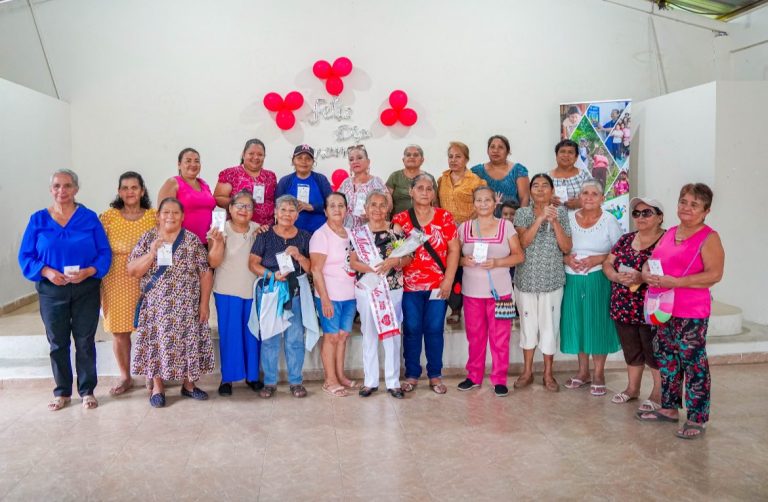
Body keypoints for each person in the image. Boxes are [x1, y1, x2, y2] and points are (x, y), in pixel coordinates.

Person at [19, 169, 112, 411]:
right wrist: (47, 271)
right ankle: (62, 392)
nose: (62, 191)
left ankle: (87, 390)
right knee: (58, 342)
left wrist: (89, 271)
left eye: (68, 186)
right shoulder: (38, 220)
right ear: (51, 190)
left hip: (86, 288)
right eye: (57, 186)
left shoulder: (89, 218)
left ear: (76, 189)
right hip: (52, 291)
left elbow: (104, 253)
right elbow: (26, 256)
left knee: (84, 340)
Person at [638, 183, 725, 440]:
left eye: (694, 204)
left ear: (706, 211)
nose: (687, 208)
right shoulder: (670, 233)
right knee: (667, 359)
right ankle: (669, 408)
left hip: (691, 311)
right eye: (683, 202)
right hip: (663, 308)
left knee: (693, 363)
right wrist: (645, 273)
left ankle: (697, 417)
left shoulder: (709, 237)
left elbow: (715, 274)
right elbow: (653, 260)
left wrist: (677, 282)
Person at [127, 197, 215, 408]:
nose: (170, 216)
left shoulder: (192, 240)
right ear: (158, 216)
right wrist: (151, 254)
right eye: (166, 212)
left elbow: (205, 273)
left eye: (175, 212)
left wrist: (204, 304)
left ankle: (189, 385)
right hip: (157, 308)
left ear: (183, 217)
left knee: (189, 343)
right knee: (157, 344)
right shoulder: (148, 238)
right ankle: (158, 387)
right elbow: (132, 270)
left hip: (187, 306)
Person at [392, 174, 460, 394]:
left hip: (438, 285)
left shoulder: (444, 217)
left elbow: (454, 250)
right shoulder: (400, 219)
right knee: (411, 329)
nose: (424, 192)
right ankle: (412, 374)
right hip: (409, 287)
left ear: (434, 193)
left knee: (434, 329)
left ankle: (435, 375)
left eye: (429, 188)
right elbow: (394, 252)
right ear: (411, 191)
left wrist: (448, 280)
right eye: (419, 188)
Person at [456, 186, 524, 396]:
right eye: (479, 200)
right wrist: (462, 260)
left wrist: (497, 262)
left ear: (496, 203)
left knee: (500, 337)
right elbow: (454, 259)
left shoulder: (506, 227)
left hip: (501, 293)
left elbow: (519, 256)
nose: (483, 204)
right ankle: (474, 376)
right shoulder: (464, 228)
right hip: (472, 293)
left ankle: (499, 378)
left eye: (488, 200)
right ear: (473, 203)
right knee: (475, 337)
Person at [561, 180, 623, 396]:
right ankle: (582, 371)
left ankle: (598, 373)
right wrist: (566, 259)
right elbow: (558, 245)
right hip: (572, 279)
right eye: (585, 193)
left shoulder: (609, 221)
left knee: (596, 324)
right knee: (578, 322)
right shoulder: (568, 218)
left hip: (598, 279)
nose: (589, 197)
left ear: (602, 198)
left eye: (594, 194)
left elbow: (621, 251)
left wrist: (598, 258)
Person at [603, 197, 665, 411]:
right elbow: (608, 263)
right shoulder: (625, 239)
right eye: (636, 213)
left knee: (653, 351)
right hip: (623, 305)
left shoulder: (666, 241)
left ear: (659, 217)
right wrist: (615, 277)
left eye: (646, 213)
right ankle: (632, 388)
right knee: (631, 349)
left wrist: (642, 277)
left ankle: (658, 392)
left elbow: (669, 270)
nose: (640, 217)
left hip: (652, 308)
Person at [349, 191, 411, 399]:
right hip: (367, 289)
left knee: (392, 333)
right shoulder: (358, 233)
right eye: (372, 205)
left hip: (392, 288)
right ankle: (370, 381)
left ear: (388, 208)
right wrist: (373, 269)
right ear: (365, 209)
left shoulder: (395, 231)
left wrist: (395, 262)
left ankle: (393, 382)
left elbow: (407, 257)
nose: (377, 209)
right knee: (369, 333)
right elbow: (353, 262)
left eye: (382, 205)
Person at [513, 174, 572, 391]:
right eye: (535, 186)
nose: (539, 189)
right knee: (528, 328)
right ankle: (527, 372)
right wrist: (539, 219)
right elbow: (523, 242)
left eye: (544, 186)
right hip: (526, 281)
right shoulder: (522, 213)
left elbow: (566, 247)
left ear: (552, 190)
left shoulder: (562, 214)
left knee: (550, 328)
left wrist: (554, 220)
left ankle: (548, 374)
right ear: (530, 191)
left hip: (552, 280)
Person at [249, 195, 312, 398]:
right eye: (283, 210)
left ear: (297, 214)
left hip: (295, 291)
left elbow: (310, 268)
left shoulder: (304, 236)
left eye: (292, 210)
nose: (287, 214)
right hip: (270, 290)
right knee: (270, 337)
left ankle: (296, 381)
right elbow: (253, 264)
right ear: (275, 213)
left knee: (295, 338)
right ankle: (269, 382)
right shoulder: (265, 235)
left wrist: (299, 256)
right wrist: (271, 275)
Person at [99, 171, 156, 396]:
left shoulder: (153, 216)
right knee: (120, 331)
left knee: (149, 329)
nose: (130, 192)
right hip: (115, 279)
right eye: (125, 188)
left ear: (142, 191)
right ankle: (125, 376)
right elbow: (98, 247)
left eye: (134, 187)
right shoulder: (108, 217)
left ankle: (152, 375)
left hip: (147, 279)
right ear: (119, 191)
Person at [206, 191, 263, 396]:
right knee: (230, 335)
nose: (243, 210)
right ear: (230, 208)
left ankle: (252, 377)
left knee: (252, 335)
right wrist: (219, 242)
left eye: (248, 207)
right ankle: (228, 378)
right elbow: (213, 262)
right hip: (227, 289)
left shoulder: (259, 230)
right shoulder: (219, 229)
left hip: (252, 290)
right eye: (239, 205)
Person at [310, 193, 357, 397]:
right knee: (330, 337)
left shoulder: (350, 233)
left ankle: (340, 375)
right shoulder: (321, 235)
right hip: (330, 296)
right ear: (325, 211)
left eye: (341, 205)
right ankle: (329, 380)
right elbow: (316, 270)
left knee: (343, 336)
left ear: (346, 209)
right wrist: (325, 299)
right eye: (332, 206)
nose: (337, 209)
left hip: (350, 295)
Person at [437, 141, 487, 325]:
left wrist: (464, 225)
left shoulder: (476, 181)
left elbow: (482, 205)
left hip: (469, 231)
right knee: (450, 268)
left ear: (466, 158)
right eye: (450, 156)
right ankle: (452, 307)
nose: (453, 160)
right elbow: (437, 205)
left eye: (458, 156)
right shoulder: (442, 179)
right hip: (446, 233)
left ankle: (468, 308)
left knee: (468, 268)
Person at [156, 148, 216, 244]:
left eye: (197, 161)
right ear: (179, 165)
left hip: (207, 243)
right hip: (182, 244)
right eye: (188, 161)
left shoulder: (204, 184)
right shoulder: (173, 183)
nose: (193, 164)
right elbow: (163, 217)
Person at [214, 138, 277, 226]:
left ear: (264, 156)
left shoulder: (270, 176)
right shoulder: (231, 173)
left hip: (267, 228)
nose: (255, 157)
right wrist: (241, 205)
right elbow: (218, 197)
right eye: (251, 153)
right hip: (239, 228)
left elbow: (274, 200)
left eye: (260, 154)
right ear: (243, 155)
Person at [275, 144, 332, 233]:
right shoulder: (285, 181)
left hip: (319, 233)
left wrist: (312, 207)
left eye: (308, 159)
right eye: (300, 158)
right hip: (290, 234)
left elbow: (331, 205)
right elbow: (277, 208)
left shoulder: (321, 180)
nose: (304, 161)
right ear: (293, 160)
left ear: (313, 162)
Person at [470, 134, 530, 210]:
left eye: (500, 147)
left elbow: (525, 198)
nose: (495, 151)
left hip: (511, 219)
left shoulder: (518, 170)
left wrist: (520, 219)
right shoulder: (476, 171)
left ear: (507, 151)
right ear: (487, 151)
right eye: (492, 147)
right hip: (483, 220)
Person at [338, 144, 391, 228]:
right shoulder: (345, 183)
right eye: (351, 159)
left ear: (368, 161)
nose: (355, 161)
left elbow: (389, 205)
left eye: (359, 158)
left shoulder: (376, 181)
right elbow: (337, 203)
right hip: (346, 231)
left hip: (370, 231)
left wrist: (372, 213)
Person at [386, 144, 435, 216]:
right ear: (403, 160)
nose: (412, 157)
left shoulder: (429, 178)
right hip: (399, 222)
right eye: (408, 155)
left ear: (422, 160)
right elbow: (385, 201)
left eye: (415, 155)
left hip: (424, 221)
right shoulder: (395, 176)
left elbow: (435, 203)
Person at [550, 139, 591, 211]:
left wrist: (580, 203)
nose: (566, 155)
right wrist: (547, 201)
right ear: (556, 156)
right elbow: (536, 202)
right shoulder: (547, 178)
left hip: (581, 220)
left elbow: (595, 198)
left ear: (576, 157)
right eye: (562, 152)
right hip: (553, 220)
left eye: (570, 152)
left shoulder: (584, 175)